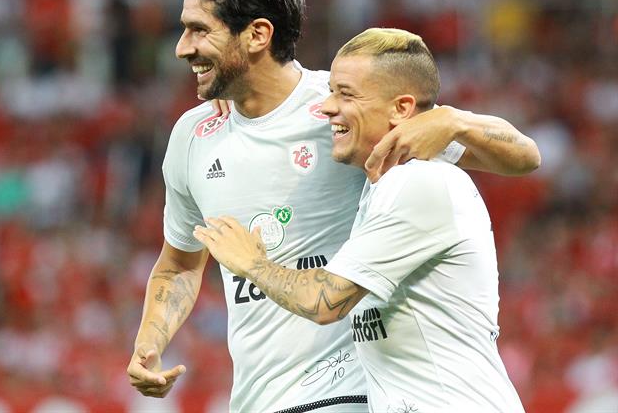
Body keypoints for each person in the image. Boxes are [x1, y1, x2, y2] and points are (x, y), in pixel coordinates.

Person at [127, 0, 539, 413]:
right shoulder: (193, 137)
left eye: (199, 30)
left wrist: (454, 121)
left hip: (351, 391)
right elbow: (180, 264)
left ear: (258, 34)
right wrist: (150, 341)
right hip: (257, 398)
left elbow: (522, 156)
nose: (182, 47)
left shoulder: (346, 108)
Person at [194, 28, 525, 412]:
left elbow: (325, 302)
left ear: (401, 109)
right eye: (331, 90)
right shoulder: (383, 185)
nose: (326, 107)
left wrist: (252, 262)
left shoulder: (418, 183)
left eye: (345, 94)